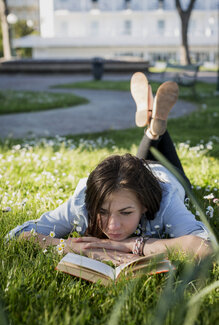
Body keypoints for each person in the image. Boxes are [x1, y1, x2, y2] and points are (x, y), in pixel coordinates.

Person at [6, 72, 212, 263]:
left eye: (125, 212)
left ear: (145, 206)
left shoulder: (166, 199)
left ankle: (154, 127)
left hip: (166, 176)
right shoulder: (82, 203)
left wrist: (134, 244)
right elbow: (16, 236)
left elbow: (205, 247)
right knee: (132, 170)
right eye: (102, 211)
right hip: (134, 173)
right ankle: (154, 127)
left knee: (178, 179)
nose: (112, 226)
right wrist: (70, 246)